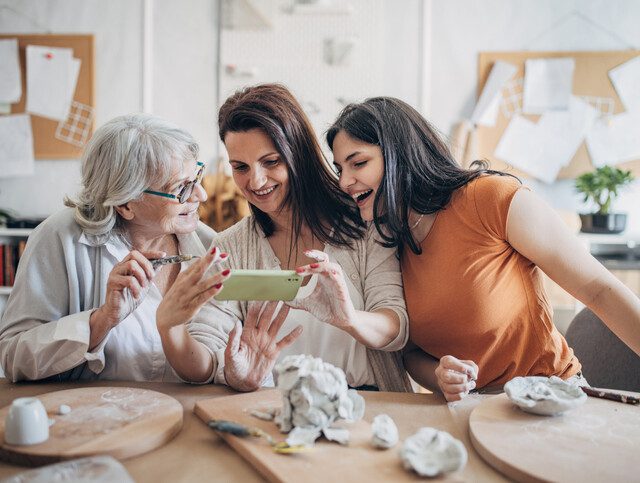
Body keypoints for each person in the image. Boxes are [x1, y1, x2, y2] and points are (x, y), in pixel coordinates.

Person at [326, 96, 640, 401]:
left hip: (549, 398)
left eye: (359, 163)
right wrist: (440, 375)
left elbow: (599, 289)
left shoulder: (490, 198)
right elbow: (409, 353)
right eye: (341, 169)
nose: (344, 182)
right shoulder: (390, 239)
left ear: (400, 154)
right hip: (473, 413)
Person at [0, 113, 282, 384]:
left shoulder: (210, 247)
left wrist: (234, 370)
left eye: (197, 178)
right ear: (125, 204)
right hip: (95, 422)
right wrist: (101, 321)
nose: (201, 195)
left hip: (183, 419)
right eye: (182, 189)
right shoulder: (59, 239)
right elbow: (13, 358)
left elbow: (214, 360)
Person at [205, 84, 412, 392]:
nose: (256, 181)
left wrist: (349, 318)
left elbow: (396, 326)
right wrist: (231, 374)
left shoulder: (364, 222)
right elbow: (210, 347)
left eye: (271, 161)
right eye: (240, 167)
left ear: (298, 153)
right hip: (274, 409)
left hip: (368, 406)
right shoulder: (228, 247)